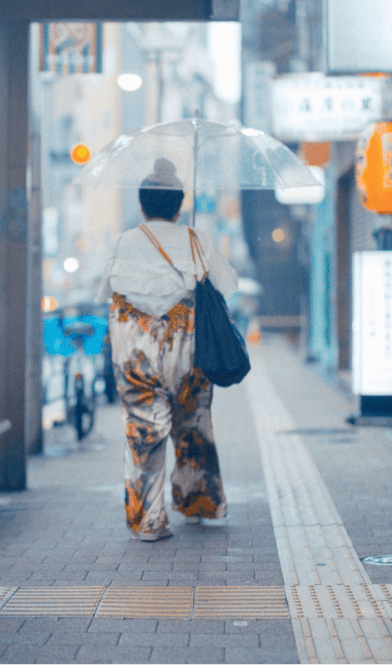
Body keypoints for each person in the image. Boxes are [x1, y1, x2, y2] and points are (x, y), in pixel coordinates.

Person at [96, 157, 238, 541]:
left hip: (134, 349)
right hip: (187, 346)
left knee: (143, 430)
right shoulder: (196, 239)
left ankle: (148, 521)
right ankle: (199, 503)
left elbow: (104, 292)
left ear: (142, 206)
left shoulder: (122, 242)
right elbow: (228, 284)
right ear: (178, 206)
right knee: (193, 423)